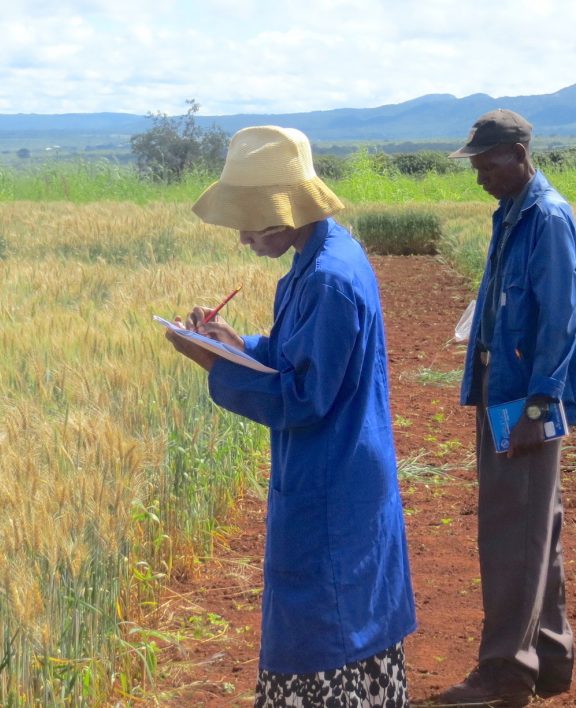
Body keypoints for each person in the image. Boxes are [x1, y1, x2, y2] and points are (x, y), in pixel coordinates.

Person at [164, 125, 416, 707]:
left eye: (250, 223)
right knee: (350, 613)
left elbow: (304, 397)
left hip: (331, 479)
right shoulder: (322, 254)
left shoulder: (327, 278)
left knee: (323, 626)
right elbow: (294, 358)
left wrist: (211, 364)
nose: (245, 239)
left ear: (282, 214)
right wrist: (236, 344)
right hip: (343, 469)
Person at [433, 109, 576, 707]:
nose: (479, 175)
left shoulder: (546, 218)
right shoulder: (513, 214)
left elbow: (562, 323)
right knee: (534, 523)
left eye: (487, 163)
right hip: (505, 390)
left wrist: (537, 410)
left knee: (510, 529)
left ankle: (504, 675)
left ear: (519, 153)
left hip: (524, 398)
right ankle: (548, 658)